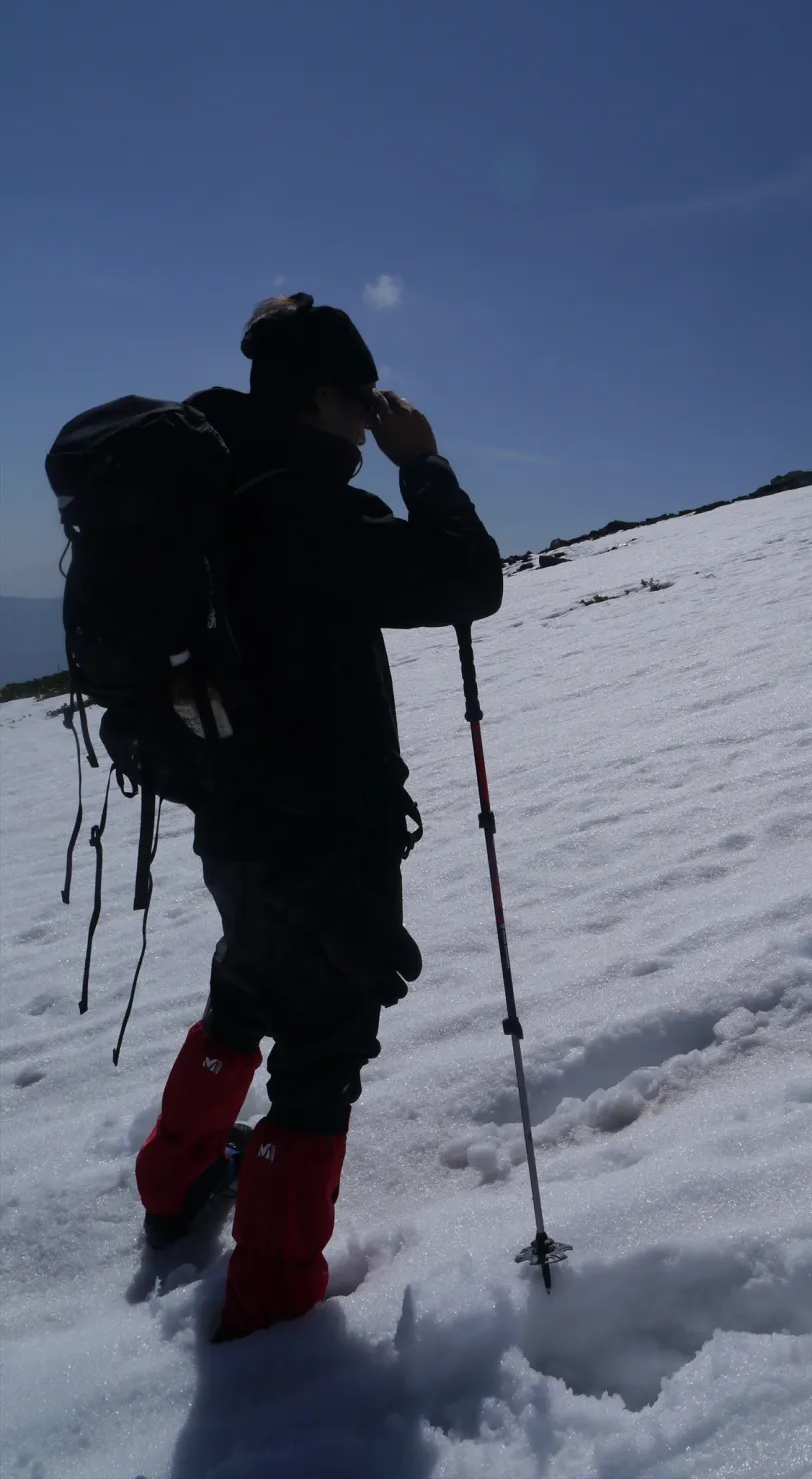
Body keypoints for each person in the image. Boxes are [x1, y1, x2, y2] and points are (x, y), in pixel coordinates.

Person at [133, 293, 503, 1340]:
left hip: (234, 825)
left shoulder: (220, 495)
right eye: (359, 402)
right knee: (319, 1062)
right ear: (326, 398)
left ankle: (170, 1185)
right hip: (326, 841)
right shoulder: (314, 511)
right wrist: (420, 464)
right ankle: (270, 1308)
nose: (365, 422)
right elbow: (469, 581)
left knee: (242, 992)